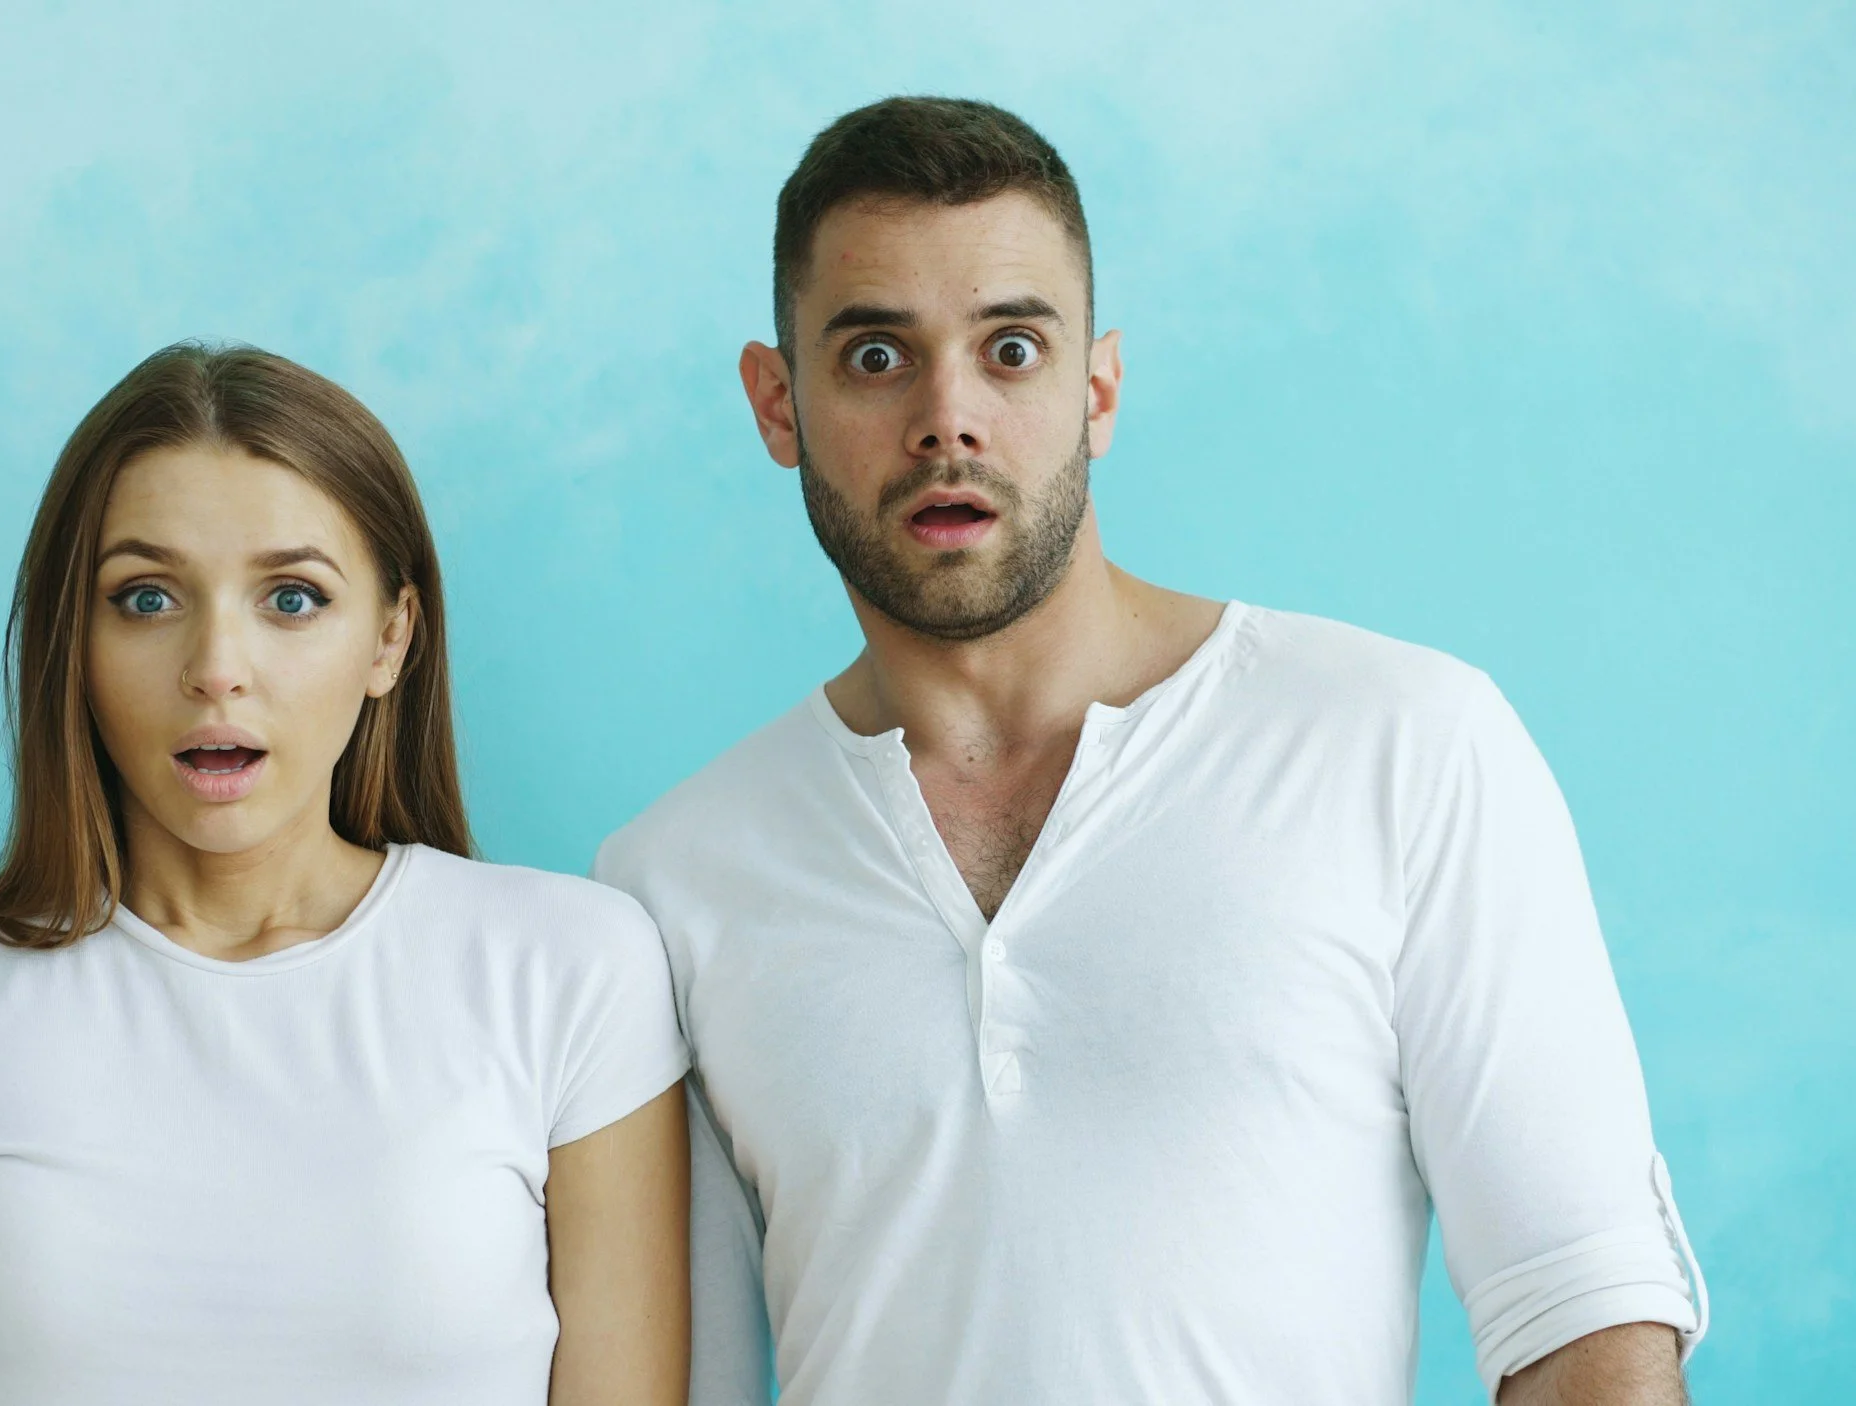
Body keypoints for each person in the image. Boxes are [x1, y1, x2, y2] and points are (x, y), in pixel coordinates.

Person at [593, 98, 1708, 1406]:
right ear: (777, 403)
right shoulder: (668, 882)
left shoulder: (1401, 744)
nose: (949, 419)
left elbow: (1587, 1324)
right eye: (877, 357)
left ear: (1097, 389)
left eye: (1010, 348)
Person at [0, 342, 690, 1406]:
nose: (214, 665)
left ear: (391, 638)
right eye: (147, 597)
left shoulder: (568, 970)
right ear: (75, 636)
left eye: (291, 598)